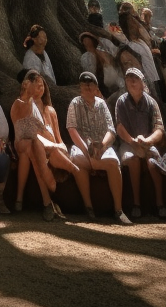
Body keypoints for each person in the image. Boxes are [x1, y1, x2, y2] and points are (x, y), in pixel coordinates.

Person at [11, 70, 79, 219]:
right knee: (34, 147)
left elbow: (58, 137)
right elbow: (26, 130)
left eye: (41, 85)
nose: (39, 88)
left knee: (39, 148)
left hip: (49, 148)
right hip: (31, 143)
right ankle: (47, 202)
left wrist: (62, 148)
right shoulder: (23, 103)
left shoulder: (51, 111)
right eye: (35, 84)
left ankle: (27, 200)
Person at [66, 71, 130, 224]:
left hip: (101, 146)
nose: (87, 87)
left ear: (96, 88)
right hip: (82, 147)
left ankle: (118, 210)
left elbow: (111, 130)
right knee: (77, 160)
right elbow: (72, 129)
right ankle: (88, 207)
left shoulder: (102, 104)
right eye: (84, 84)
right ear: (80, 87)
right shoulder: (75, 103)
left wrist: (102, 145)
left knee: (114, 163)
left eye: (91, 84)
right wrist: (87, 150)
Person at [115, 68, 166, 220]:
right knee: (132, 160)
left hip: (146, 141)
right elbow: (119, 127)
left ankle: (160, 203)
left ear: (142, 82)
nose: (131, 82)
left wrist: (148, 141)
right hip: (128, 142)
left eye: (135, 79)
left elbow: (159, 128)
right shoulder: (121, 101)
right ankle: (136, 203)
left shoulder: (151, 102)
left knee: (153, 162)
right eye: (129, 79)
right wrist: (132, 142)